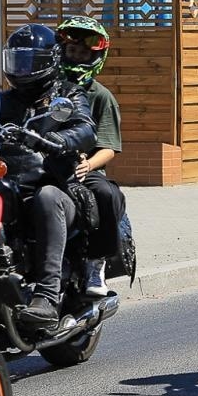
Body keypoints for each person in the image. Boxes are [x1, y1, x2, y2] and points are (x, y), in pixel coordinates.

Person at [0, 23, 98, 334]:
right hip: (9, 183)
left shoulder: (68, 94)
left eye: (30, 62)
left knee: (47, 198)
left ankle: (47, 295)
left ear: (49, 62)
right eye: (17, 60)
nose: (22, 68)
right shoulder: (3, 101)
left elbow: (85, 127)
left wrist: (58, 141)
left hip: (56, 185)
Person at [55, 15, 128, 296]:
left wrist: (88, 165)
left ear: (95, 56)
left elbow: (109, 147)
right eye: (72, 51)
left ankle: (96, 264)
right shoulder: (46, 90)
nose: (76, 57)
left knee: (108, 195)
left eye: (83, 53)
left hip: (84, 170)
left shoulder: (100, 96)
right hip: (43, 166)